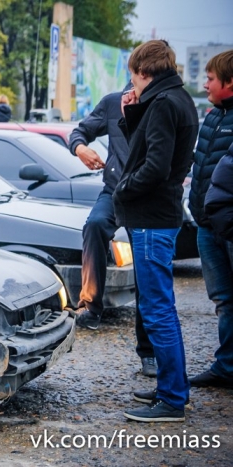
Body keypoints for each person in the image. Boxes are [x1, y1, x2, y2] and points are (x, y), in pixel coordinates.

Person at [114, 40, 198, 422]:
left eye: (132, 74)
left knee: (158, 310)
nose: (132, 82)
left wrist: (122, 189)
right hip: (158, 217)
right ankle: (171, 389)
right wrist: (132, 115)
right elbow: (148, 149)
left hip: (152, 220)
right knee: (160, 308)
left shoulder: (164, 103)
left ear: (143, 71)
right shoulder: (176, 98)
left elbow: (155, 166)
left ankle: (172, 399)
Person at [68, 83, 157, 378]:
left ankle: (148, 353)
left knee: (146, 271)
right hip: (114, 191)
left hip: (145, 196)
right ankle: (90, 307)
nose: (130, 97)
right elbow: (79, 132)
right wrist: (80, 148)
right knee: (94, 224)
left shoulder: (160, 104)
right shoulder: (111, 103)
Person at [188, 50, 233, 389]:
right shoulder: (214, 118)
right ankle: (226, 367)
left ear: (229, 83)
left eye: (211, 79)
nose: (205, 84)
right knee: (223, 300)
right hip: (207, 224)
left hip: (229, 225)